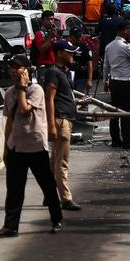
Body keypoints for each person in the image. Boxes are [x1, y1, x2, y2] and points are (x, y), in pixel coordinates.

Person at [0, 55, 64, 237]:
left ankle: (57, 220)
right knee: (14, 189)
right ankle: (10, 226)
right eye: (12, 68)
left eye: (18, 68)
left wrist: (23, 87)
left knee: (47, 186)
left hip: (35, 146)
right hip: (16, 146)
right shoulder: (9, 93)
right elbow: (9, 122)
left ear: (27, 70)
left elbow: (23, 110)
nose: (14, 71)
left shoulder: (36, 90)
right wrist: (6, 148)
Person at [42, 40, 85, 211]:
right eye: (70, 52)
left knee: (54, 162)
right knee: (62, 162)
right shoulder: (53, 72)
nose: (73, 55)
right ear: (60, 53)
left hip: (63, 119)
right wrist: (51, 125)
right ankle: (66, 199)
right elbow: (49, 99)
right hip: (61, 121)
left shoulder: (62, 72)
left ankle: (49, 195)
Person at [65, 26, 96, 93]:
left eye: (79, 36)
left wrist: (90, 80)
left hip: (81, 77)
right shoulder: (67, 46)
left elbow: (89, 64)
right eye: (76, 36)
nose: (78, 38)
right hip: (69, 76)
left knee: (80, 96)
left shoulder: (84, 47)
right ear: (71, 36)